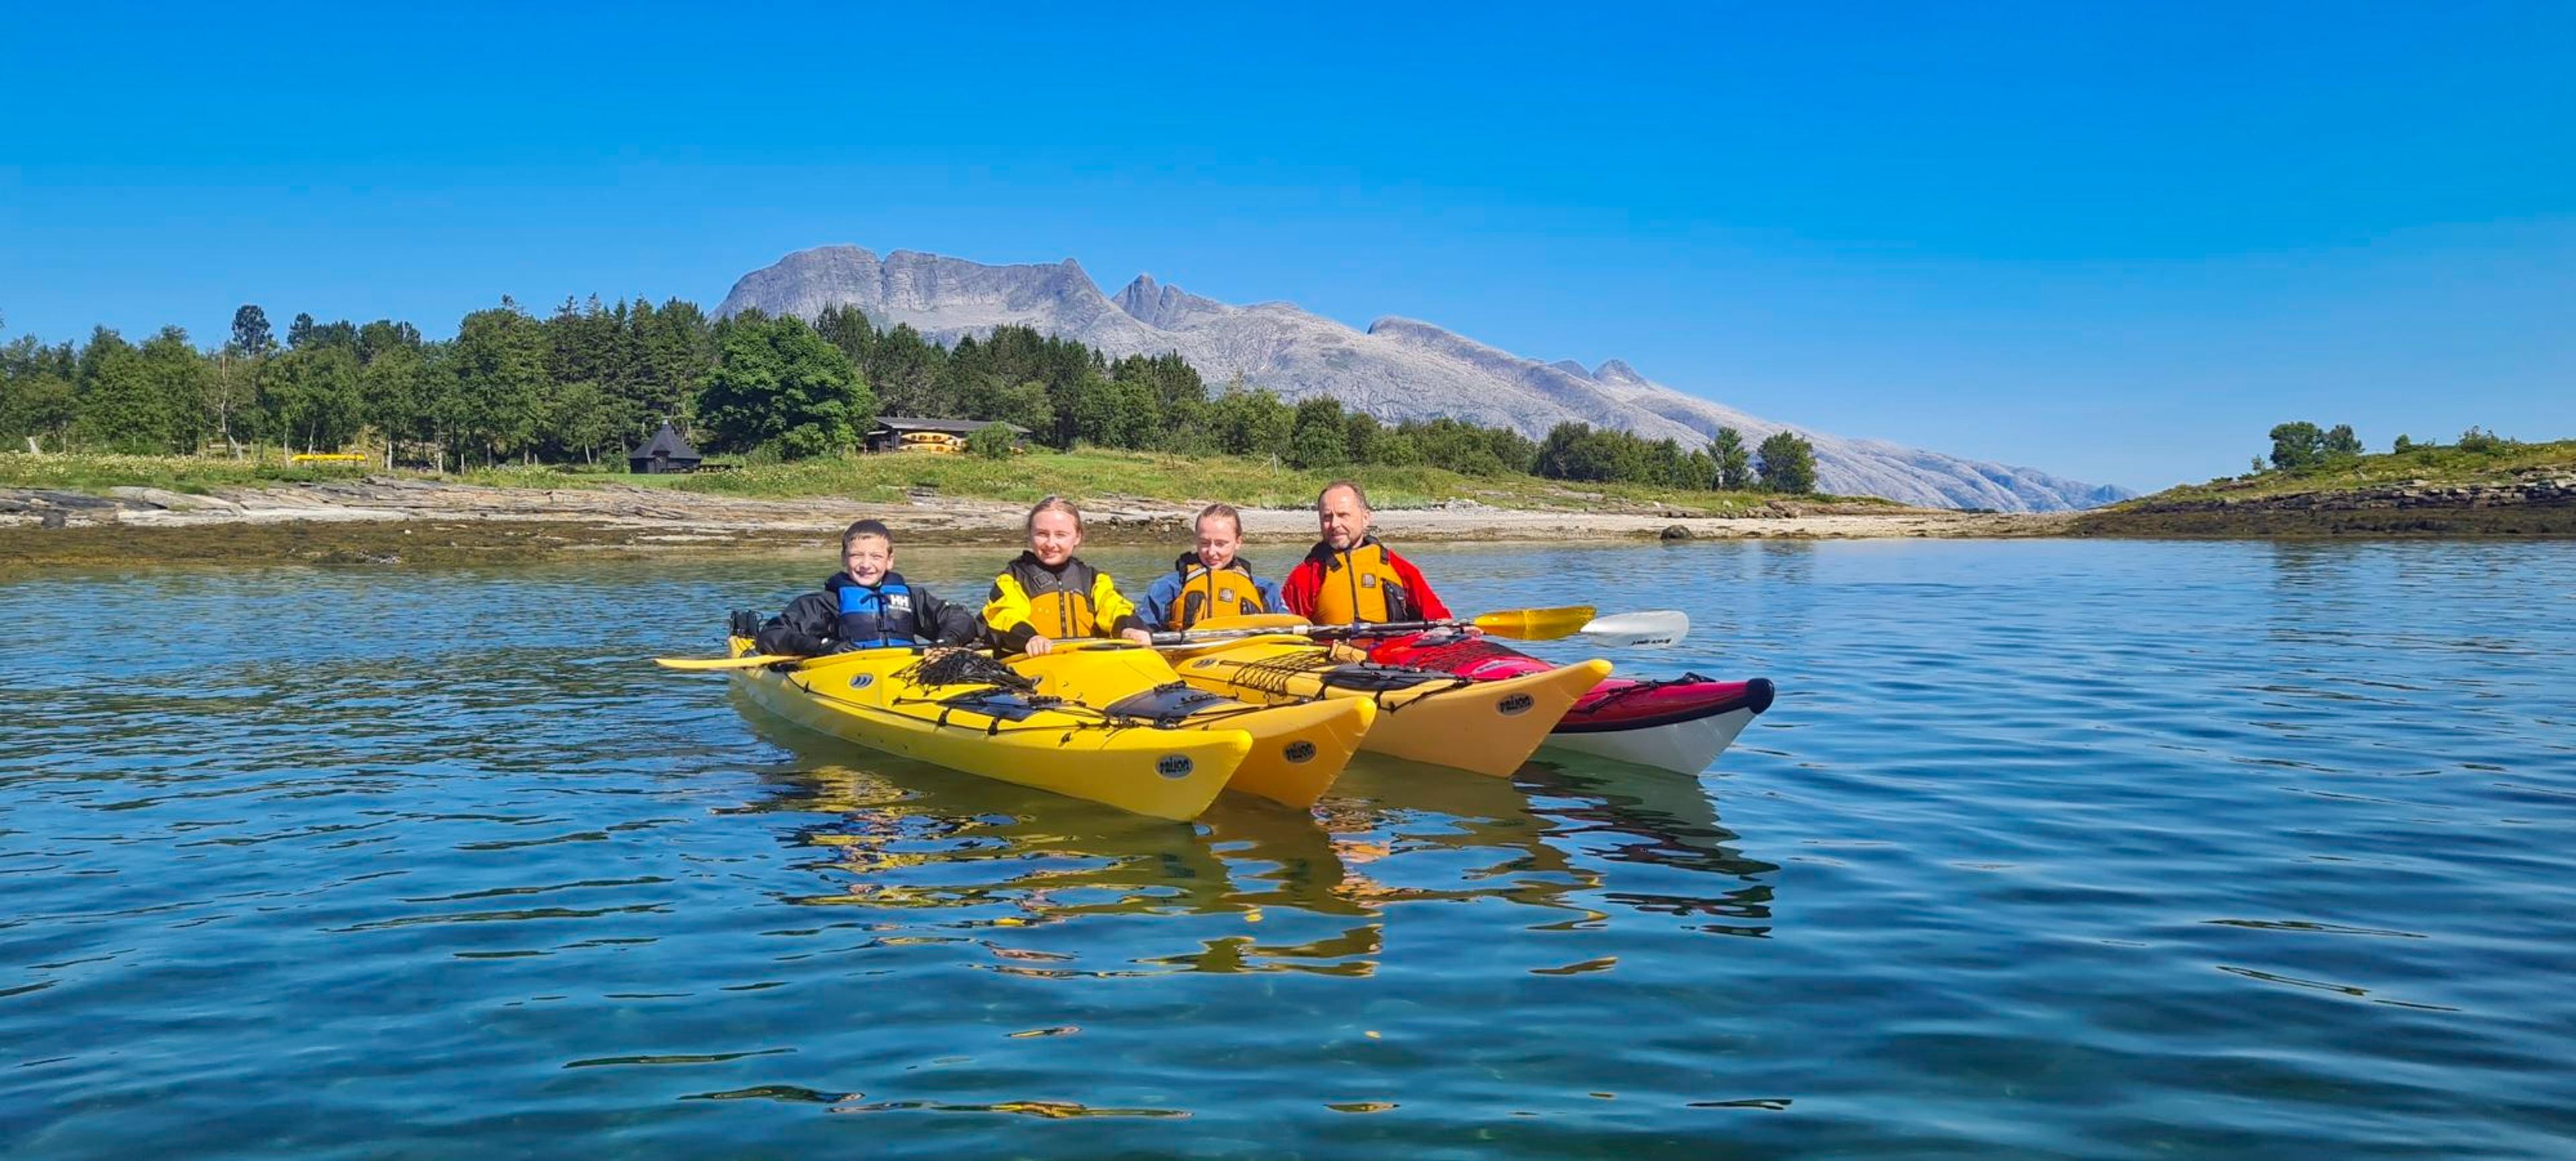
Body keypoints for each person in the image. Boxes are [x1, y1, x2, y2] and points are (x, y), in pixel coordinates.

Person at [755, 519, 981, 656]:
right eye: (856, 556)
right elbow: (772, 635)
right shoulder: (824, 603)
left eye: (875, 556)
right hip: (851, 679)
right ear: (844, 559)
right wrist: (821, 646)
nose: (865, 565)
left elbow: (960, 619)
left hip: (904, 673)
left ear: (889, 560)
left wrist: (946, 642)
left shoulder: (913, 597)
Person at [981, 496, 1156, 656]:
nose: (1050, 544)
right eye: (1042, 534)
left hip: (1088, 662)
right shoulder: (1012, 579)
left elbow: (1114, 608)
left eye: (1061, 535)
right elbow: (1005, 614)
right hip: (1034, 661)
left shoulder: (1095, 580)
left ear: (1077, 537)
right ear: (1030, 535)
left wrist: (1129, 629)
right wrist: (1031, 638)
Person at [1279, 480, 1453, 624]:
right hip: (1333, 661)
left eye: (1343, 515)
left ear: (1365, 518)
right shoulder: (1304, 577)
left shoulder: (1398, 568)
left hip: (1391, 657)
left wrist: (1450, 628)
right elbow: (1288, 631)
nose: (1334, 524)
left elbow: (1439, 617)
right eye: (1327, 517)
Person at [1140, 503, 1287, 631]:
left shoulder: (1265, 589)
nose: (1211, 552)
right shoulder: (1168, 587)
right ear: (1196, 540)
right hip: (1189, 655)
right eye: (1204, 543)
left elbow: (1288, 626)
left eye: (1221, 544)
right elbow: (1143, 626)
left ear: (1238, 542)